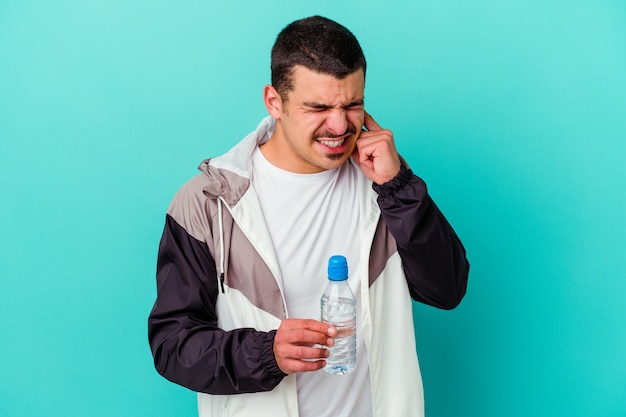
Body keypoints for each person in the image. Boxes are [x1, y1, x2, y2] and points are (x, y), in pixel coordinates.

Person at [148, 15, 469, 417]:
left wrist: (399, 187)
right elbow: (172, 344)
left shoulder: (385, 187)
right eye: (318, 107)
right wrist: (267, 354)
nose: (339, 125)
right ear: (274, 102)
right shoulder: (207, 202)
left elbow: (448, 289)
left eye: (353, 105)